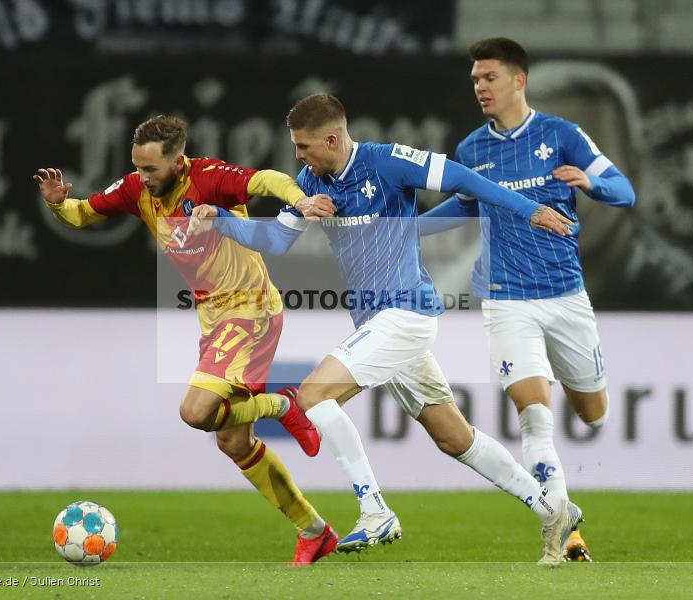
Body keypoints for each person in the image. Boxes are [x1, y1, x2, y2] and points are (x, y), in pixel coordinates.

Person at [188, 93, 582, 566]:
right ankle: (553, 510)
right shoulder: (311, 182)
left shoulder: (389, 162)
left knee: (313, 397)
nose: (298, 156)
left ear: (332, 138)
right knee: (454, 437)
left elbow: (464, 179)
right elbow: (274, 239)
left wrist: (528, 210)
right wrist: (224, 221)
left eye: (305, 146)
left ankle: (374, 510)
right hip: (378, 324)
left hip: (407, 314)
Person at [33, 114, 340, 566]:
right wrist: (60, 203)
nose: (142, 177)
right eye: (137, 167)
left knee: (195, 411)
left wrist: (301, 198)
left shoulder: (210, 180)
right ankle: (314, 531)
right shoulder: (136, 190)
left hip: (251, 309)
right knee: (233, 443)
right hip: (214, 319)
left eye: (151, 169)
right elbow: (82, 214)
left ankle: (283, 405)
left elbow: (268, 179)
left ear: (178, 163)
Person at [420, 38, 637, 562]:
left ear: (519, 80)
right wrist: (404, 233)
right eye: (475, 80)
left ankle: (574, 407)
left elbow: (624, 191)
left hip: (565, 297)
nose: (480, 87)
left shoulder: (561, 135)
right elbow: (465, 205)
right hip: (506, 298)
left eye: (489, 77)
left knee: (592, 414)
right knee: (534, 415)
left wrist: (592, 183)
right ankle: (561, 531)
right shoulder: (473, 149)